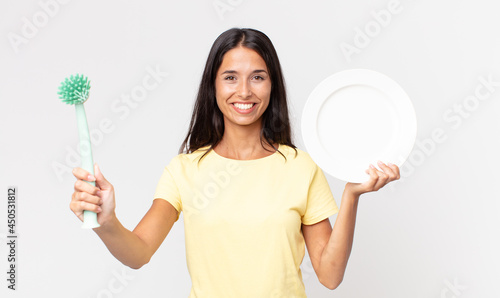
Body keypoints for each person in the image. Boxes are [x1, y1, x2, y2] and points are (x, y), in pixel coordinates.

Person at [70, 27, 400, 297]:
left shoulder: (301, 167)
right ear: (213, 85)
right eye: (230, 77)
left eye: (258, 77)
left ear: (272, 85)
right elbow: (139, 252)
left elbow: (329, 276)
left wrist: (351, 196)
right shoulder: (184, 170)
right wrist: (107, 222)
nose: (244, 91)